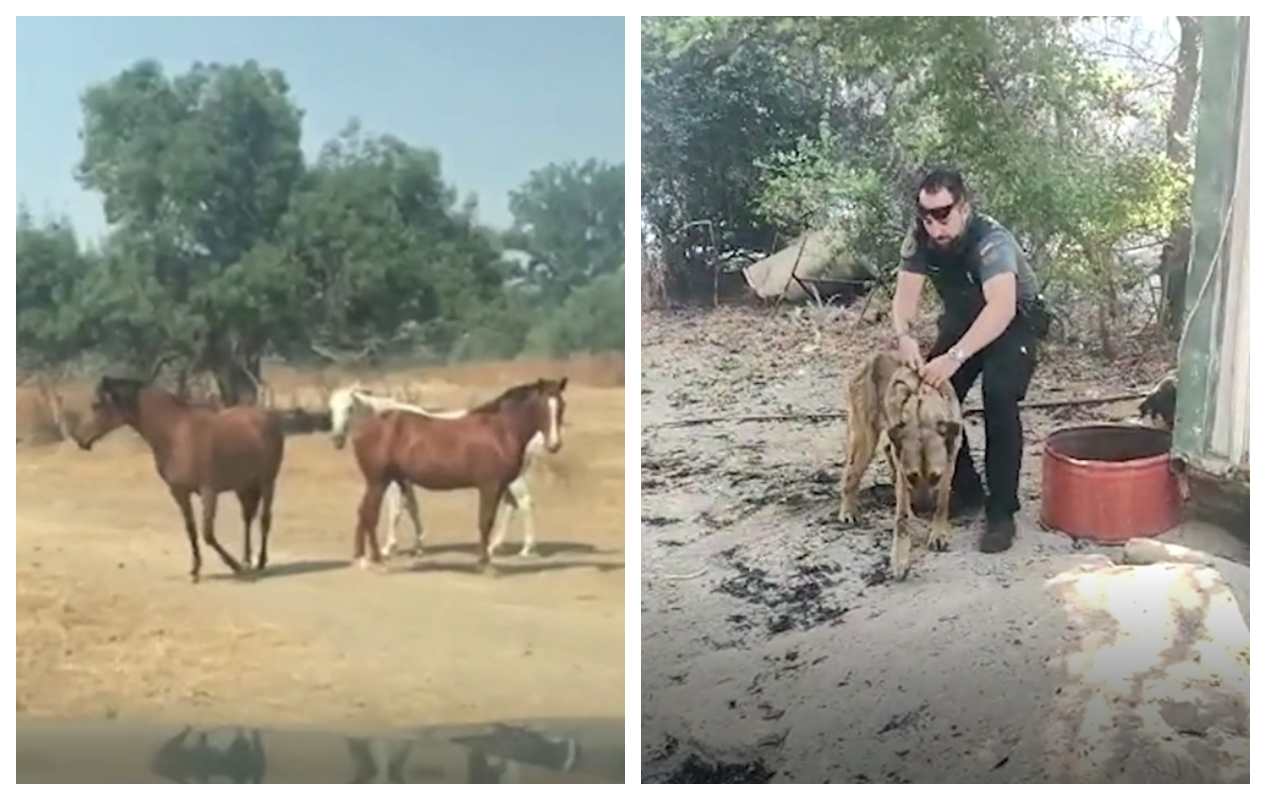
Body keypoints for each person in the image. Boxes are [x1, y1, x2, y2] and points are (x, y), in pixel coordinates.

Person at [891, 168, 1046, 553]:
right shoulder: (920, 239)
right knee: (928, 396)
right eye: (927, 216)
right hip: (963, 320)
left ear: (964, 207)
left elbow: (1002, 307)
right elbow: (904, 299)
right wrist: (905, 337)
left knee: (999, 396)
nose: (935, 226)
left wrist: (956, 357)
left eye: (944, 214)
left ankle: (1001, 512)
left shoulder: (992, 241)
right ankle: (967, 488)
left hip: (1013, 322)